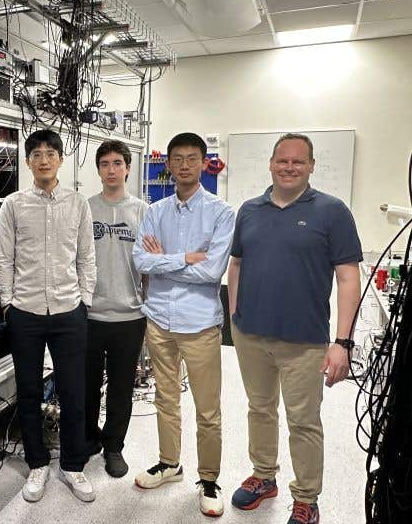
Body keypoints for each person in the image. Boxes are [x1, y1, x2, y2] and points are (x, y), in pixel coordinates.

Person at [228, 133, 362, 524]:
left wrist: (342, 342)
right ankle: (263, 475)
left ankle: (306, 498)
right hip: (251, 335)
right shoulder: (249, 210)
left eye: (298, 161)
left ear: (311, 166)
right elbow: (237, 263)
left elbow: (348, 278)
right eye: (282, 160)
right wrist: (235, 314)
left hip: (304, 341)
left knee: (303, 421)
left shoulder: (332, 211)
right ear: (271, 163)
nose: (289, 167)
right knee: (259, 409)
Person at [132, 132, 234, 517]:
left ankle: (209, 479)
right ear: (169, 165)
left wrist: (165, 262)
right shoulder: (155, 211)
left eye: (193, 158)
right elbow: (140, 261)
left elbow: (211, 272)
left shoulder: (221, 213)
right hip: (159, 319)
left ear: (204, 163)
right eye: (178, 158)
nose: (185, 165)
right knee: (165, 398)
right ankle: (169, 463)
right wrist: (185, 258)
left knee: (208, 408)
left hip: (200, 324)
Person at [0, 128, 97, 503]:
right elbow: (3, 257)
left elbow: (86, 256)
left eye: (50, 153)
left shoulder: (77, 203)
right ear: (28, 161)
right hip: (26, 311)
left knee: (73, 391)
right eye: (36, 154)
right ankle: (37, 463)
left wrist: (85, 300)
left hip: (70, 310)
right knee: (29, 391)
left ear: (60, 160)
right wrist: (8, 302)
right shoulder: (13, 205)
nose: (43, 160)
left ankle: (72, 465)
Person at [84, 140, 148, 478]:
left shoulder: (143, 212)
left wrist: (148, 306)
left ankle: (113, 446)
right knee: (86, 384)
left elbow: (150, 265)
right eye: (105, 164)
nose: (111, 170)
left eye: (117, 163)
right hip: (89, 315)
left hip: (130, 315)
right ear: (98, 170)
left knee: (121, 387)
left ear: (127, 168)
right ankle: (88, 439)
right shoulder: (85, 209)